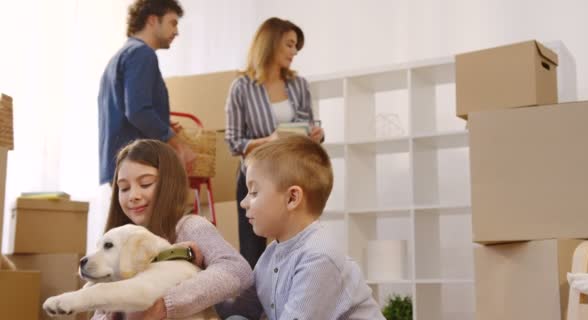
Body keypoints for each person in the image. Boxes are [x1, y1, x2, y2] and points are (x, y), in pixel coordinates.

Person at [216, 135, 384, 320]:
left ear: (292, 198)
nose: (244, 203)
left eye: (254, 192)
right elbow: (240, 310)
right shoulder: (270, 256)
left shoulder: (319, 257)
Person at [91, 139, 253, 320]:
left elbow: (237, 270)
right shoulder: (116, 246)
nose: (133, 196)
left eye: (145, 184)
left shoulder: (189, 226)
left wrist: (165, 304)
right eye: (124, 188)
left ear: (170, 184)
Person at [225, 17, 324, 268]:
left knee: (299, 246)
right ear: (270, 42)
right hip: (254, 179)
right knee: (253, 252)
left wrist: (316, 135)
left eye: (296, 47)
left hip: (294, 178)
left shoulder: (299, 85)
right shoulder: (242, 87)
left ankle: (296, 302)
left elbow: (309, 125)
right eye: (289, 45)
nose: (293, 52)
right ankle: (255, 308)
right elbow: (234, 142)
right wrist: (270, 141)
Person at [98, 0, 195, 187]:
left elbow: (128, 109)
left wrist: (162, 123)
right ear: (152, 20)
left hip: (121, 165)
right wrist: (175, 141)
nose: (176, 31)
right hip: (138, 164)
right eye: (172, 23)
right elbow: (138, 110)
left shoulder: (120, 57)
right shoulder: (142, 54)